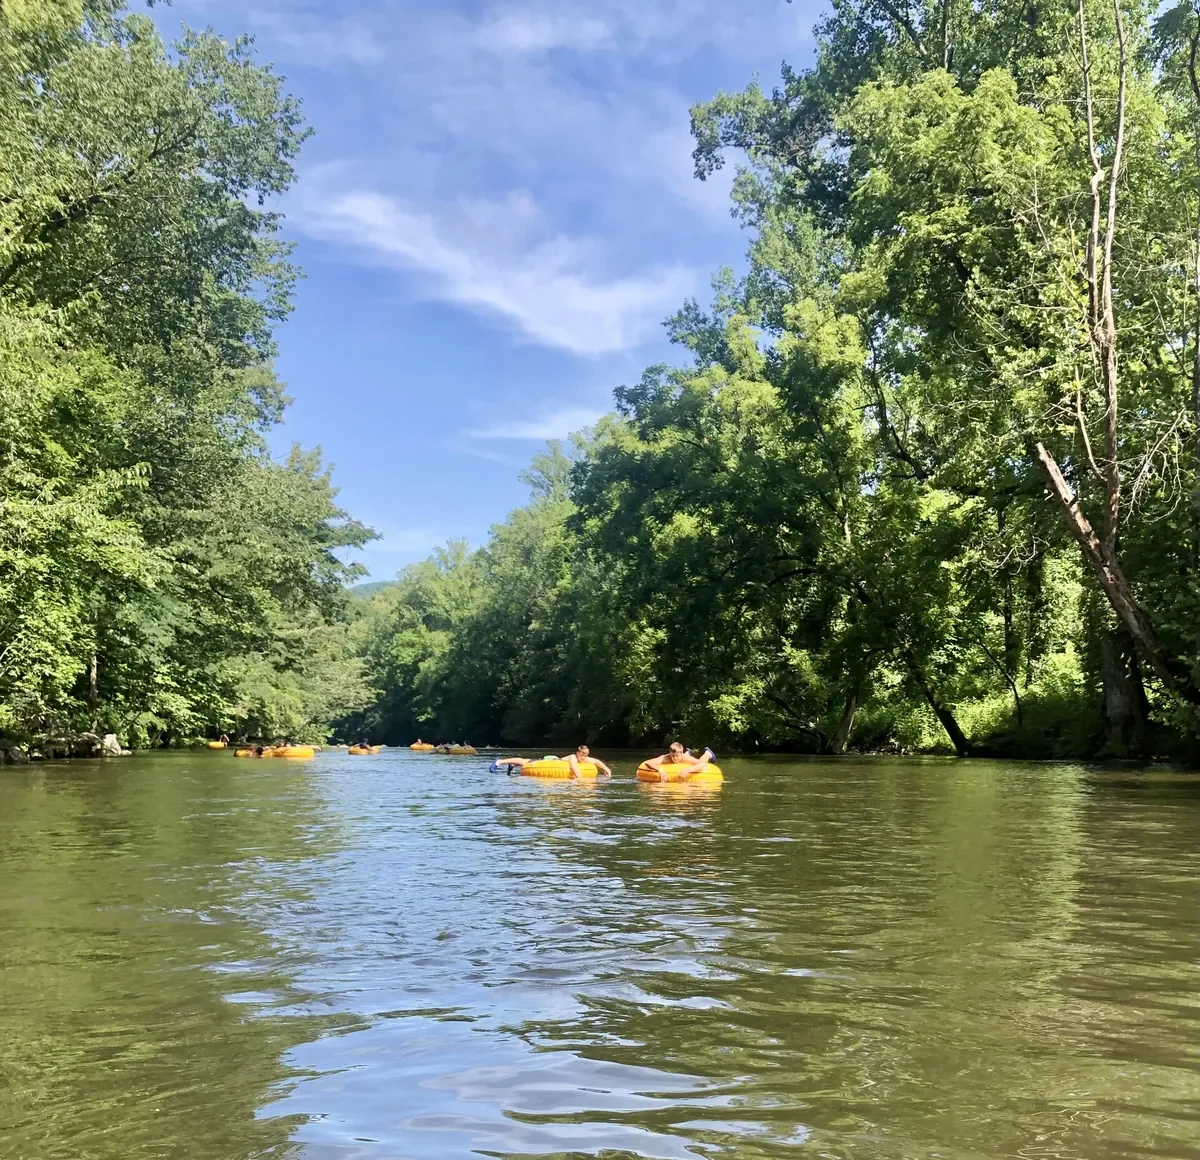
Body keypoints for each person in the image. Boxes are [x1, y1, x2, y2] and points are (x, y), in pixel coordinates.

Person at [644, 741, 715, 782]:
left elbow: (702, 764)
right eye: (672, 755)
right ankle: (688, 751)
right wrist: (660, 770)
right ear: (669, 753)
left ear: (681, 753)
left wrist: (688, 770)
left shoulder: (685, 758)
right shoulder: (666, 757)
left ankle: (708, 753)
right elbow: (648, 762)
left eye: (677, 755)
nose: (674, 758)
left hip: (687, 757)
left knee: (701, 760)